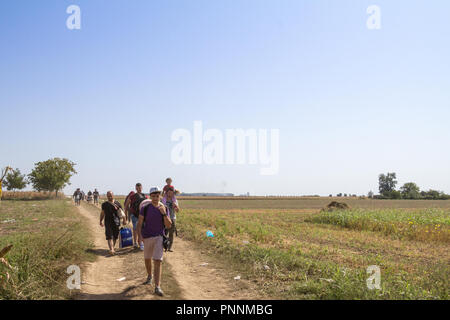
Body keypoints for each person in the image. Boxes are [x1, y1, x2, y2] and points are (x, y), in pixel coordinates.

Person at [137, 187, 172, 296]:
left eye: (158, 196)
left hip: (159, 237)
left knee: (158, 261)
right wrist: (139, 236)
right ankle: (149, 276)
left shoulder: (164, 208)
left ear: (160, 196)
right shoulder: (145, 208)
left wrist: (164, 214)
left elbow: (169, 225)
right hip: (147, 236)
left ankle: (157, 287)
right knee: (147, 259)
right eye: (154, 196)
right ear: (150, 196)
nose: (156, 198)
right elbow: (139, 223)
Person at [100, 191, 126, 256]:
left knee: (115, 236)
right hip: (108, 222)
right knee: (109, 236)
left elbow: (122, 213)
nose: (109, 197)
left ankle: (112, 248)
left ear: (113, 195)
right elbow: (102, 213)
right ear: (107, 196)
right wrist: (100, 221)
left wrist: (124, 220)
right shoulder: (104, 204)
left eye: (110, 195)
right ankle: (111, 249)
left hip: (116, 222)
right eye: (108, 196)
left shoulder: (117, 203)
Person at [124, 183, 147, 250]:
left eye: (140, 188)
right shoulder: (132, 196)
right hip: (134, 215)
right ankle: (135, 243)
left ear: (142, 188)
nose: (139, 189)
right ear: (136, 188)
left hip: (142, 215)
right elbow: (126, 205)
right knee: (135, 228)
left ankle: (140, 242)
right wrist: (125, 214)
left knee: (141, 229)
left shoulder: (144, 196)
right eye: (138, 188)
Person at [161, 187, 179, 252]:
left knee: (171, 233)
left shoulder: (175, 200)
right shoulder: (163, 200)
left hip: (172, 218)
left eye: (171, 193)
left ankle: (169, 247)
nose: (170, 194)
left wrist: (176, 207)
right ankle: (163, 245)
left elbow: (177, 210)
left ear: (173, 193)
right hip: (165, 218)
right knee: (164, 232)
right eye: (169, 193)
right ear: (166, 193)